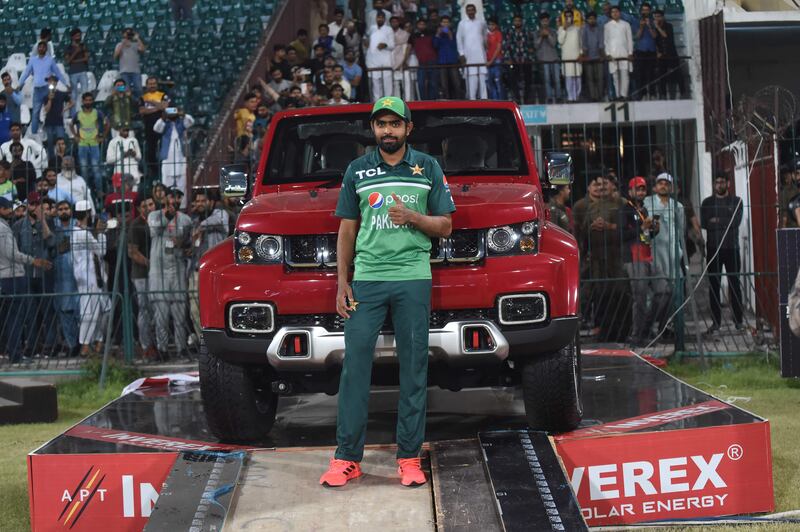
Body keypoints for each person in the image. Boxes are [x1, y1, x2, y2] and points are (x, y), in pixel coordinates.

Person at [320, 96, 454, 488]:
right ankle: (347, 458)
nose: (388, 131)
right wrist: (343, 282)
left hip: (413, 277)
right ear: (373, 129)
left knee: (414, 369)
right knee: (354, 368)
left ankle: (410, 458)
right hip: (368, 280)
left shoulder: (427, 167)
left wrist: (413, 217)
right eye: (381, 124)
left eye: (395, 124)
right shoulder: (358, 170)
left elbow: (445, 226)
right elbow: (347, 229)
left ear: (408, 129)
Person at [0, 196, 52, 363]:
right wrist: (33, 260)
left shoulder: (6, 226)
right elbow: (12, 254)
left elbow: (52, 241)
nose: (11, 211)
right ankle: (15, 355)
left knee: (12, 317)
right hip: (11, 276)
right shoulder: (4, 228)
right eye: (7, 208)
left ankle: (14, 353)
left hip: (10, 275)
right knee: (16, 317)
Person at [618, 176, 667, 346]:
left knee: (663, 291)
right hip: (633, 257)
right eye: (637, 189)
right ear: (630, 191)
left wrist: (654, 230)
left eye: (643, 189)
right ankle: (637, 335)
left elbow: (646, 235)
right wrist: (642, 227)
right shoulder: (624, 210)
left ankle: (646, 329)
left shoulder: (644, 210)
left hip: (647, 254)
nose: (640, 192)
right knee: (640, 297)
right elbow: (622, 235)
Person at [148, 192, 192, 359]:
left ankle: (181, 349)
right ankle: (162, 349)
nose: (175, 200)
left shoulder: (185, 220)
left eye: (179, 197)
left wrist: (186, 245)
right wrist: (168, 215)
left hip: (178, 268)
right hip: (159, 271)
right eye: (172, 197)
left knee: (179, 313)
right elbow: (154, 231)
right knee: (161, 314)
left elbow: (189, 241)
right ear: (165, 199)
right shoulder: (154, 215)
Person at [13, 191, 56, 356]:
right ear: (27, 205)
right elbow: (15, 251)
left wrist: (43, 220)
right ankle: (32, 346)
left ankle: (50, 345)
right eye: (32, 204)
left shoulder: (48, 222)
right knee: (30, 312)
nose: (35, 207)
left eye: (37, 204)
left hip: (45, 274)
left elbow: (52, 242)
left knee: (48, 310)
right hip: (27, 273)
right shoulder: (18, 226)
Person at [701, 172, 744, 332]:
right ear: (713, 185)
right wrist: (725, 222)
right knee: (714, 286)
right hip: (714, 248)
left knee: (734, 285)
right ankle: (716, 322)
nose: (719, 185)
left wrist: (717, 221)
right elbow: (705, 223)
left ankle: (738, 321)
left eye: (722, 182)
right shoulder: (707, 203)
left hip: (732, 248)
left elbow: (736, 222)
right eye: (716, 182)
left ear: (728, 183)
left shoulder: (737, 201)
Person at [643, 173, 685, 336]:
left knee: (674, 292)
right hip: (654, 252)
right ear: (655, 186)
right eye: (660, 183)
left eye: (666, 183)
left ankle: (663, 325)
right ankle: (649, 325)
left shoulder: (678, 206)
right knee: (657, 293)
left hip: (673, 253)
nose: (663, 186)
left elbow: (680, 230)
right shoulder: (647, 202)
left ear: (671, 187)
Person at [70, 199, 110, 356]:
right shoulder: (80, 233)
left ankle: (98, 341)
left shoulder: (83, 231)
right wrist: (100, 234)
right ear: (87, 214)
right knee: (89, 313)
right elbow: (101, 251)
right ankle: (85, 345)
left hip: (96, 278)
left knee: (104, 310)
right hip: (87, 278)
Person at [188, 189, 228, 338]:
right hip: (196, 270)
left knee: (213, 308)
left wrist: (201, 226)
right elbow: (191, 244)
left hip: (214, 271)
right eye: (197, 201)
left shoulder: (220, 214)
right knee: (194, 309)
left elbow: (218, 220)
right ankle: (201, 340)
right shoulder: (194, 220)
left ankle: (214, 342)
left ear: (210, 202)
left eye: (202, 201)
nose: (199, 204)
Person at [18, 41, 71, 136]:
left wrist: (66, 84)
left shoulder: (50, 60)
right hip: (37, 89)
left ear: (46, 49)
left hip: (47, 88)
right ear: (37, 49)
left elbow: (58, 73)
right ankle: (34, 134)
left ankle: (50, 132)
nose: (41, 48)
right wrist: (19, 84)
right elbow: (26, 73)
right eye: (40, 47)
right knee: (35, 113)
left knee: (50, 110)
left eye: (43, 47)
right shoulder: (33, 60)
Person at [128, 195, 156, 358]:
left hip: (156, 273)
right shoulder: (137, 225)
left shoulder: (158, 221)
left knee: (156, 308)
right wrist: (151, 263)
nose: (149, 208)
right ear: (139, 209)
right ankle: (146, 345)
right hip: (142, 274)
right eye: (145, 206)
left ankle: (157, 343)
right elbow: (132, 251)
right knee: (145, 309)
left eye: (151, 204)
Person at [53, 200, 81, 357]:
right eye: (60, 209)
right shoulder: (54, 227)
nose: (64, 211)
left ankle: (83, 343)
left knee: (81, 311)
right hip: (61, 275)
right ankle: (72, 344)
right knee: (65, 311)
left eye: (66, 208)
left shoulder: (77, 226)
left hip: (78, 274)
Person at [153, 109, 194, 205]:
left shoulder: (181, 122)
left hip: (181, 158)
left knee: (182, 185)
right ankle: (167, 205)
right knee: (166, 184)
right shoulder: (164, 124)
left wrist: (183, 114)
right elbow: (156, 128)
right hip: (167, 158)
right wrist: (163, 117)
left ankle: (182, 206)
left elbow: (191, 122)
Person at [70, 93, 107, 198]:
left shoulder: (97, 113)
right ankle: (85, 191)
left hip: (94, 144)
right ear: (82, 101)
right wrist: (76, 136)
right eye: (86, 100)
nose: (88, 102)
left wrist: (103, 136)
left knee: (96, 169)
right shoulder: (78, 114)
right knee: (84, 169)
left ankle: (99, 191)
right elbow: (71, 124)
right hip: (82, 144)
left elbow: (106, 123)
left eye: (90, 100)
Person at [456, 4, 488, 100]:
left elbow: (485, 37)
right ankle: (472, 100)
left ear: (475, 11)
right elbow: (459, 39)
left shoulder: (481, 23)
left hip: (480, 55)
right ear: (466, 12)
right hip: (468, 56)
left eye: (472, 10)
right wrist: (461, 54)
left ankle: (484, 99)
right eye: (468, 10)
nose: (470, 12)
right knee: (471, 80)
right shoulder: (462, 23)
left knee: (482, 79)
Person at [653, 9, 685, 99]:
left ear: (663, 17)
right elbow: (654, 39)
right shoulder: (654, 28)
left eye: (658, 16)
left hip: (671, 53)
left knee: (678, 74)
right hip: (661, 55)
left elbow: (665, 36)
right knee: (661, 75)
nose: (657, 18)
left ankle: (683, 93)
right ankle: (663, 95)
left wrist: (658, 28)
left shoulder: (669, 26)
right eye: (655, 17)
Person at [503, 15, 535, 104]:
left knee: (528, 80)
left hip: (526, 60)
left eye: (519, 21)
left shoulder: (526, 32)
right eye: (516, 21)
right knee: (513, 80)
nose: (517, 22)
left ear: (521, 22)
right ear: (513, 22)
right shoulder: (509, 32)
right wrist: (508, 58)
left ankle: (526, 99)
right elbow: (506, 46)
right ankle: (517, 99)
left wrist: (530, 57)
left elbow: (531, 46)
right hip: (514, 60)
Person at [604, 6, 633, 100]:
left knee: (625, 75)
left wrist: (630, 52)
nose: (615, 13)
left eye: (616, 11)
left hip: (624, 53)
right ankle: (617, 95)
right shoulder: (607, 26)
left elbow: (630, 40)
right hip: (613, 54)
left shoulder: (626, 24)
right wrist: (607, 53)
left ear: (619, 13)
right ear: (611, 14)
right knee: (615, 76)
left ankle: (624, 95)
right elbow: (606, 41)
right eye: (613, 12)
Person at [365, 11, 395, 101]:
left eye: (382, 17)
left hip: (385, 61)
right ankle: (377, 105)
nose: (380, 19)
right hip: (373, 61)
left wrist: (385, 45)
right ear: (376, 18)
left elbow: (392, 45)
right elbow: (366, 41)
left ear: (384, 19)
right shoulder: (372, 28)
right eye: (378, 17)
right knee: (376, 86)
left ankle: (389, 105)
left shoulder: (388, 29)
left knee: (387, 86)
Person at [41, 75, 72, 159]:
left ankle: (63, 159)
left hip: (59, 122)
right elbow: (46, 110)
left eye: (53, 81)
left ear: (56, 83)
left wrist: (64, 109)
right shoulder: (45, 96)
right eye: (49, 81)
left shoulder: (61, 94)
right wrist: (50, 99)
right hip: (49, 122)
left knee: (61, 142)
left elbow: (71, 103)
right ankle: (51, 161)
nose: (51, 83)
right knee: (50, 143)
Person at [433, 16, 461, 99]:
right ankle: (446, 100)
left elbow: (456, 46)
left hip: (453, 61)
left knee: (456, 83)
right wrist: (437, 34)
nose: (445, 24)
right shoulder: (438, 34)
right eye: (443, 22)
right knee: (443, 84)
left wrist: (450, 36)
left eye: (447, 22)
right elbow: (435, 45)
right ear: (440, 24)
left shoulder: (454, 33)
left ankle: (459, 100)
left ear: (450, 24)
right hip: (442, 61)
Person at [536, 13, 561, 103]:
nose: (545, 23)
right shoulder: (537, 32)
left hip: (554, 58)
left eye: (546, 21)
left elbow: (553, 43)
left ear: (549, 21)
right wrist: (541, 36)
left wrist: (548, 35)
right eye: (543, 21)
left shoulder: (553, 31)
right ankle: (549, 97)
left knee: (557, 79)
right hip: (544, 59)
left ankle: (558, 97)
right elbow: (536, 45)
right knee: (547, 80)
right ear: (540, 22)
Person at [411, 19, 438, 100]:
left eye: (423, 24)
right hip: (421, 62)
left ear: (426, 25)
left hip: (432, 61)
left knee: (432, 83)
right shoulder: (413, 36)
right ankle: (423, 101)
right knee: (421, 83)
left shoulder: (431, 34)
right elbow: (409, 48)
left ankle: (432, 101)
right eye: (420, 24)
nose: (422, 26)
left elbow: (436, 45)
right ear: (417, 26)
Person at [558, 11, 583, 102]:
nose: (568, 18)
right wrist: (564, 29)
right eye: (567, 16)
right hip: (567, 57)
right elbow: (560, 41)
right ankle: (570, 98)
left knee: (577, 78)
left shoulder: (577, 28)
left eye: (570, 16)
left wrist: (581, 53)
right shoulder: (561, 29)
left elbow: (581, 43)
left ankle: (577, 97)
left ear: (573, 17)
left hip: (576, 57)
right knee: (568, 78)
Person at [114, 28, 146, 98]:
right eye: (126, 33)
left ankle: (139, 104)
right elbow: (116, 56)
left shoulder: (136, 44)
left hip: (136, 71)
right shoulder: (119, 45)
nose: (128, 35)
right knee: (125, 90)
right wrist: (123, 43)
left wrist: (138, 38)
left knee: (139, 89)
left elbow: (143, 50)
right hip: (124, 71)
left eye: (129, 33)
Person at [581, 12, 605, 102]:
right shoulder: (584, 29)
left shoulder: (599, 28)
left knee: (600, 78)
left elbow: (601, 42)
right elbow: (584, 44)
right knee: (590, 78)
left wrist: (602, 55)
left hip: (598, 57)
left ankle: (600, 96)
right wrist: (585, 55)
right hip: (588, 57)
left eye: (593, 18)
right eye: (590, 19)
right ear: (587, 20)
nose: (592, 20)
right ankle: (593, 97)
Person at [64, 28, 91, 105]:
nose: (79, 37)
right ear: (72, 37)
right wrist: (76, 52)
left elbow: (86, 58)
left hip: (83, 70)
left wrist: (74, 61)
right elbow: (68, 61)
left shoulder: (83, 46)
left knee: (85, 92)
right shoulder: (68, 48)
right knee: (73, 94)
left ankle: (85, 108)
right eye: (77, 36)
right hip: (73, 72)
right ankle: (73, 113)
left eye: (79, 35)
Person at [485, 18, 505, 100]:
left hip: (497, 60)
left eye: (493, 24)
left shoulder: (498, 34)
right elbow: (486, 47)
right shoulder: (486, 35)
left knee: (498, 82)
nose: (491, 26)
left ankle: (501, 101)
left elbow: (498, 48)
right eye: (489, 24)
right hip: (488, 61)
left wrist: (491, 61)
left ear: (496, 25)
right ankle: (494, 101)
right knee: (490, 83)